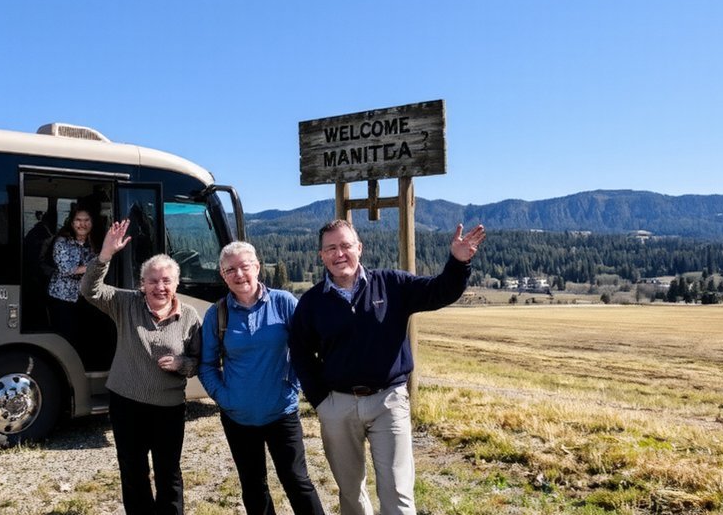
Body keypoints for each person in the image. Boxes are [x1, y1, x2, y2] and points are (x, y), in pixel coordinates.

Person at [289, 219, 486, 515]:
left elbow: (439, 291)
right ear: (321, 256)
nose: (339, 253)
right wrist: (321, 401)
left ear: (360, 248)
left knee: (397, 492)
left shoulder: (392, 284)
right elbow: (301, 352)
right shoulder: (312, 302)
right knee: (351, 493)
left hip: (388, 402)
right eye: (331, 248)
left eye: (345, 245)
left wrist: (458, 263)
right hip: (338, 406)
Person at [80, 218, 202, 515]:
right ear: (141, 283)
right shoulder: (125, 304)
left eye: (166, 281)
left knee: (169, 475)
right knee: (133, 473)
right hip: (126, 404)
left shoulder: (189, 316)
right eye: (152, 280)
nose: (160, 287)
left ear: (177, 283)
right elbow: (90, 290)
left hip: (169, 408)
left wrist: (182, 363)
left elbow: (201, 361)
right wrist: (105, 255)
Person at [199, 241, 326, 515]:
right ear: (223, 275)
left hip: (282, 412)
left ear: (257, 267)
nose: (239, 274)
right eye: (230, 270)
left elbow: (306, 349)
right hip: (238, 417)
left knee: (297, 481)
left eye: (244, 267)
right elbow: (207, 364)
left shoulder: (284, 302)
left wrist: (295, 385)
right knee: (254, 486)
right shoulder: (217, 314)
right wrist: (224, 397)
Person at [46, 207, 97, 364]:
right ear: (71, 222)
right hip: (62, 297)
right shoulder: (62, 241)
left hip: (85, 297)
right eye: (78, 220)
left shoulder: (93, 242)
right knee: (65, 337)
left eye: (86, 220)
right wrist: (96, 265)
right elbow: (66, 269)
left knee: (84, 336)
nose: (82, 224)